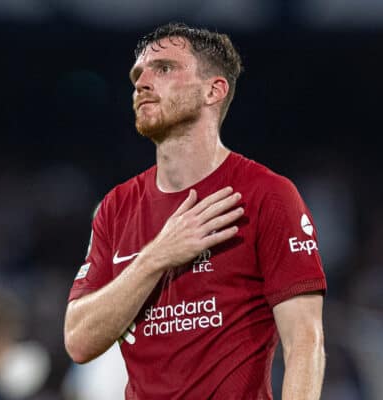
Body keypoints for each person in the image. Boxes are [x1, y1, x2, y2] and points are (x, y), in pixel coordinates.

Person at [64, 22, 327, 399]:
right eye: (137, 74)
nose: (142, 82)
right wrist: (157, 256)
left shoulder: (266, 194)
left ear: (213, 90)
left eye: (165, 68)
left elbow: (305, 341)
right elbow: (78, 341)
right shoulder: (116, 207)